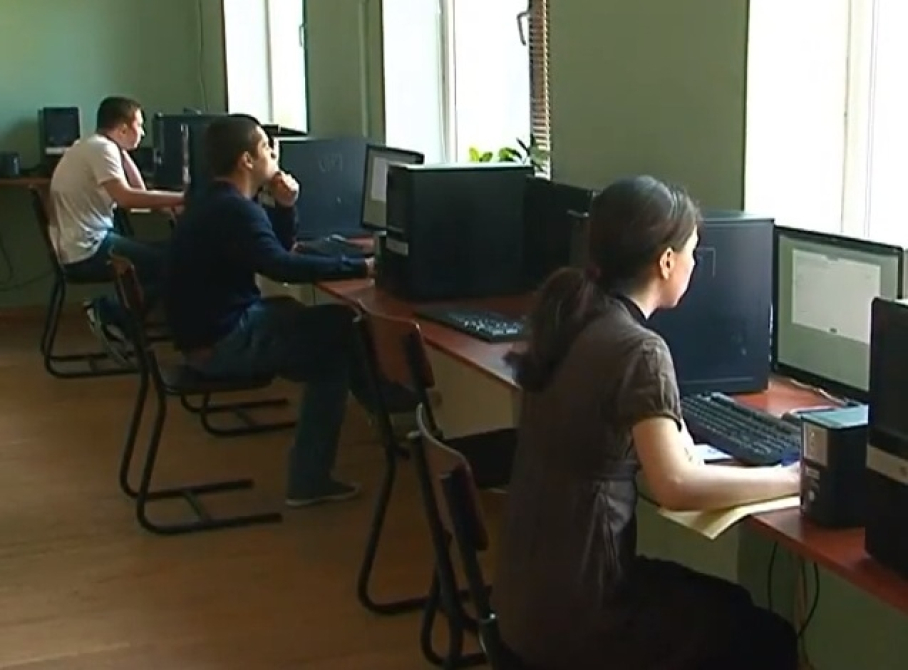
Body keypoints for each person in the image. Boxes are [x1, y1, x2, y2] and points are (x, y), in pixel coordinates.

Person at [493, 175, 799, 669]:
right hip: (585, 618)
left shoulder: (570, 320)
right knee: (766, 636)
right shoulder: (640, 350)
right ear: (666, 261)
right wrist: (791, 479)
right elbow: (675, 485)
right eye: (692, 252)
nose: (695, 265)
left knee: (731, 607)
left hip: (525, 600)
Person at [165, 113, 375, 507]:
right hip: (220, 345)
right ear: (247, 159)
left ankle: (320, 468)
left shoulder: (211, 199)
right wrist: (361, 267)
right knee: (342, 326)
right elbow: (281, 266)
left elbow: (273, 251)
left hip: (205, 336)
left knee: (323, 344)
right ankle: (384, 408)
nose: (274, 154)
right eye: (266, 146)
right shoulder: (233, 210)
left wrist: (284, 206)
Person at [49, 96, 184, 361]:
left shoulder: (95, 145)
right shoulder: (101, 150)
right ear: (122, 128)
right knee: (177, 261)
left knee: (171, 255)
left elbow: (139, 191)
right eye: (139, 126)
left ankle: (122, 321)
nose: (142, 133)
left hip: (81, 244)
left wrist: (124, 154)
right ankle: (109, 312)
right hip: (89, 250)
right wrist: (182, 198)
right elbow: (126, 199)